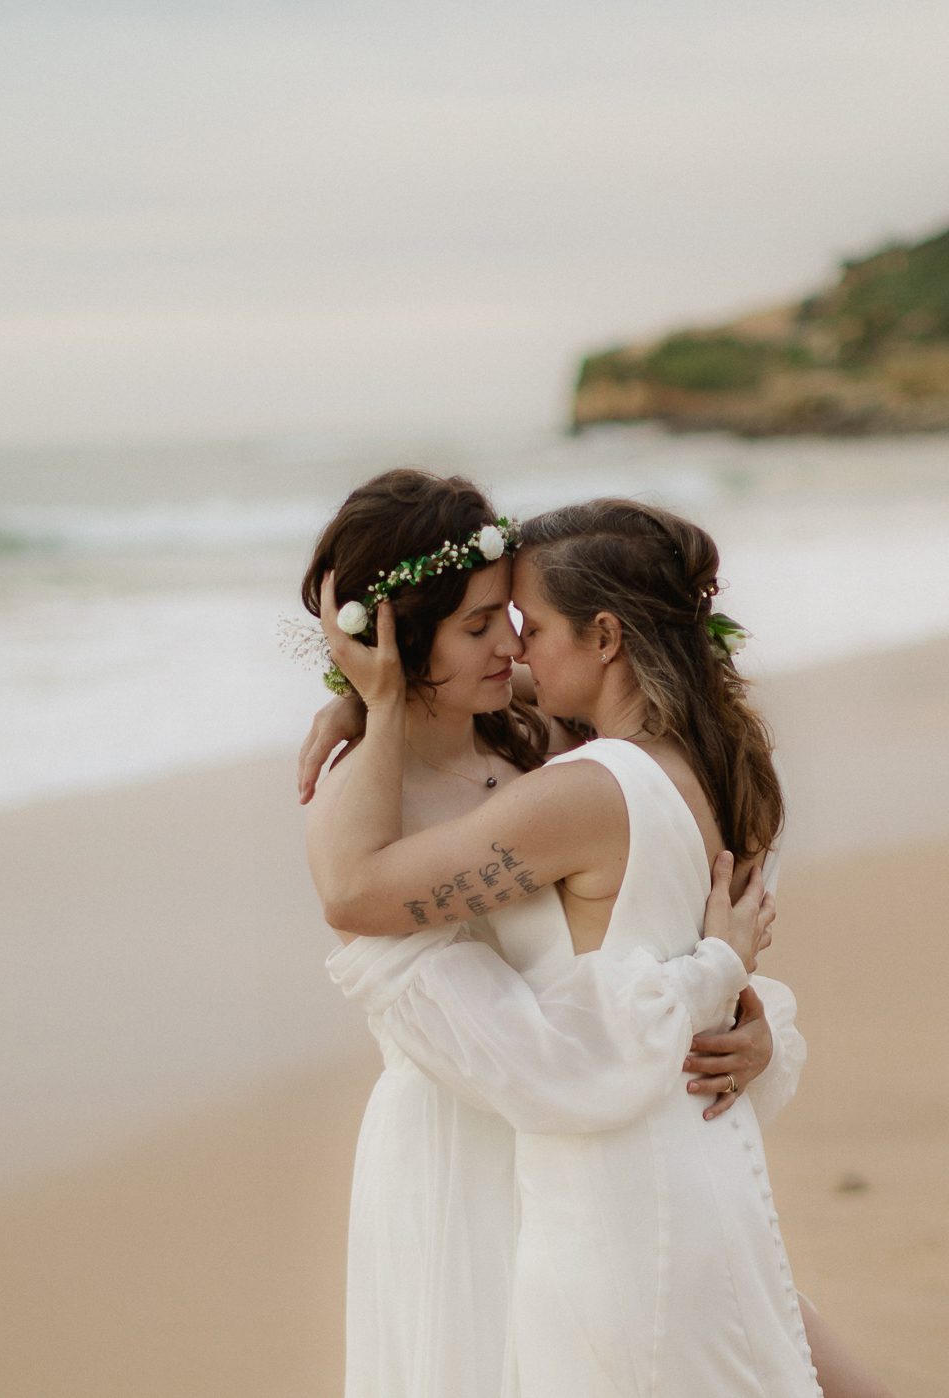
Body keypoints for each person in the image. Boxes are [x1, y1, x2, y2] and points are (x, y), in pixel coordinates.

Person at [309, 490, 894, 1395]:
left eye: (522, 623)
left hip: (586, 1128)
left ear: (605, 635)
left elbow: (358, 895)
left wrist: (383, 702)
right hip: (484, 1141)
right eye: (484, 627)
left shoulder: (554, 763)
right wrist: (374, 713)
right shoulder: (587, 751)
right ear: (406, 643)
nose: (512, 648)